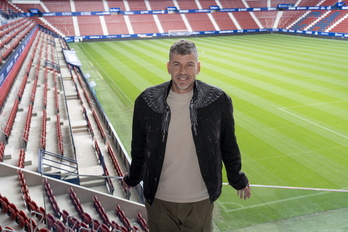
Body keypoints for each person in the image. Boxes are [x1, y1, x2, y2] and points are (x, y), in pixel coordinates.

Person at [123, 39, 251, 232]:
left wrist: (237, 179)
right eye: (177, 64)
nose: (183, 72)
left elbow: (228, 145)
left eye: (189, 65)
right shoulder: (147, 101)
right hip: (159, 200)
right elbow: (139, 149)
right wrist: (132, 178)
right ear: (168, 67)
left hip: (199, 201)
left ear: (198, 67)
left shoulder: (218, 100)